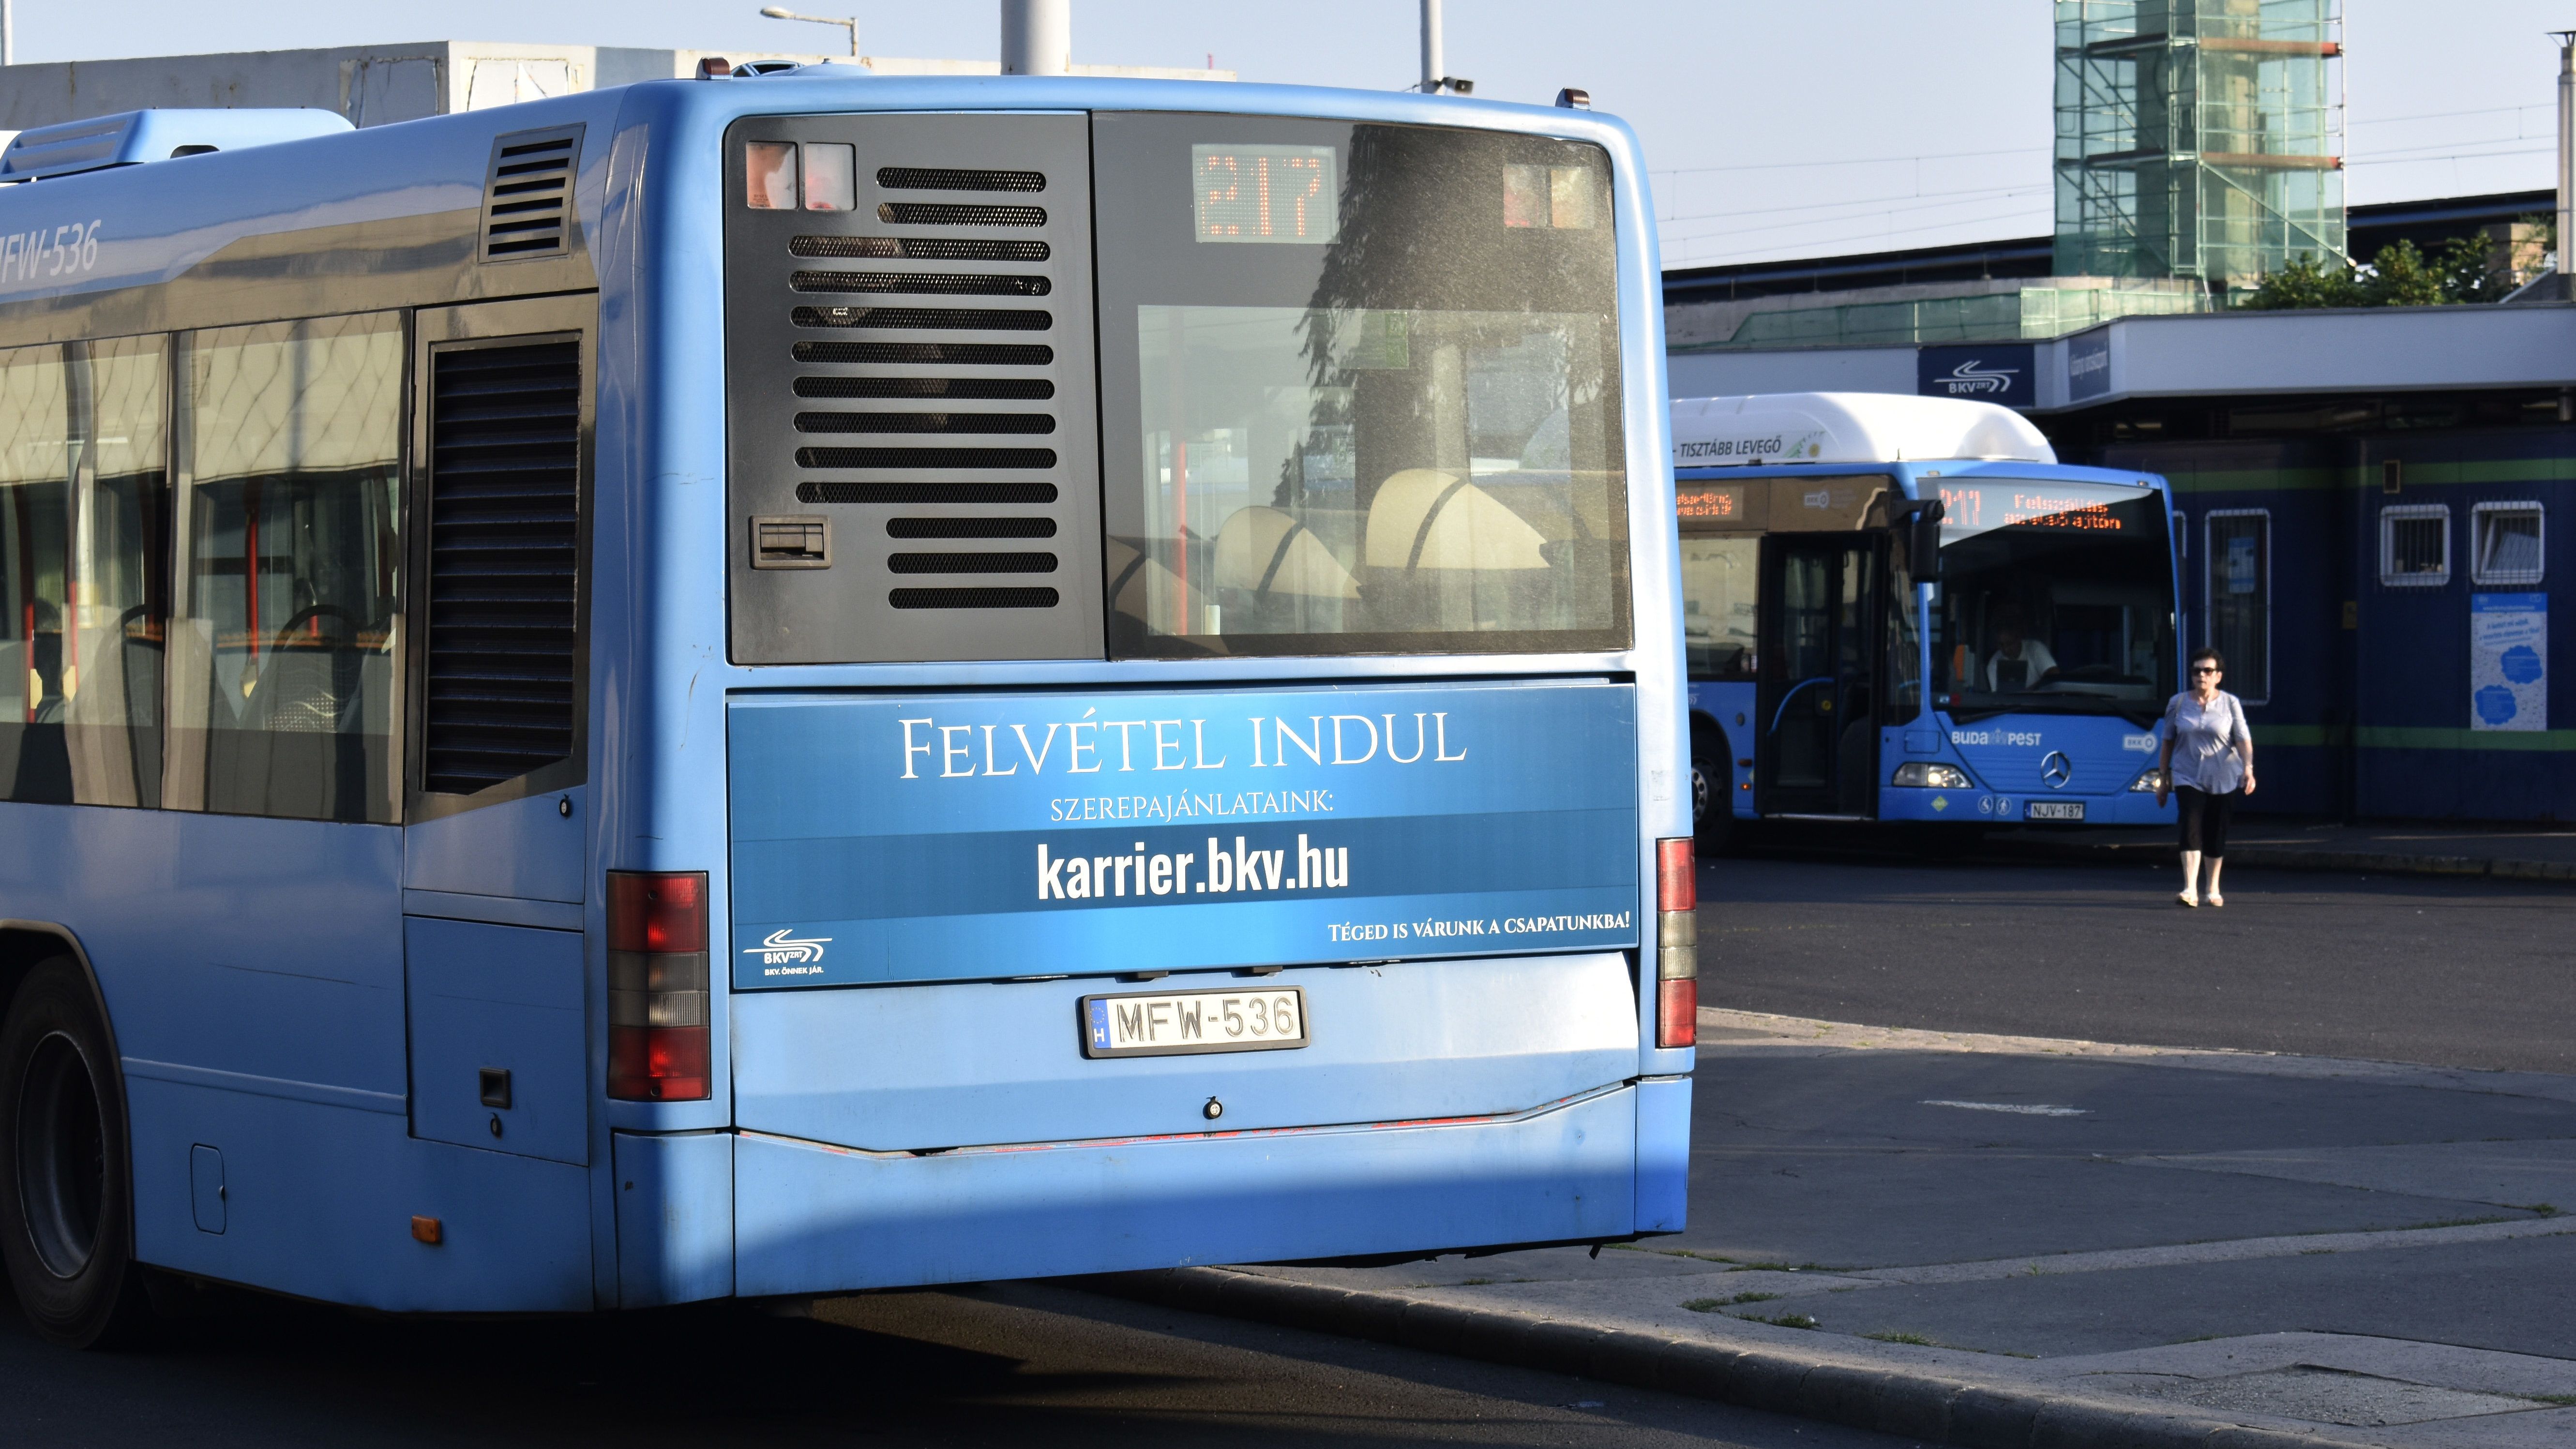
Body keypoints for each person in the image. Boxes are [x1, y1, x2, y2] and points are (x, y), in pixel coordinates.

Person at [2154, 647, 2255, 907]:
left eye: (2207, 671)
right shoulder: (2177, 704)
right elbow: (2167, 742)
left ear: (2218, 676)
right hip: (2188, 775)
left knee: (2216, 831)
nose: (2201, 675)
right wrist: (2163, 778)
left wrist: (2248, 768)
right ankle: (2189, 889)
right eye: (2197, 671)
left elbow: (2243, 739)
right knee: (2190, 825)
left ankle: (2212, 888)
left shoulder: (2230, 704)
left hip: (2224, 776)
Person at [1984, 605, 2059, 693]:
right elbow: (1998, 697)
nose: (2006, 649)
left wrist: (2028, 692)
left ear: (2019, 638)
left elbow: (2054, 676)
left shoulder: (2035, 649)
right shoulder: (1994, 664)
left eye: (2010, 644)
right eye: (2001, 645)